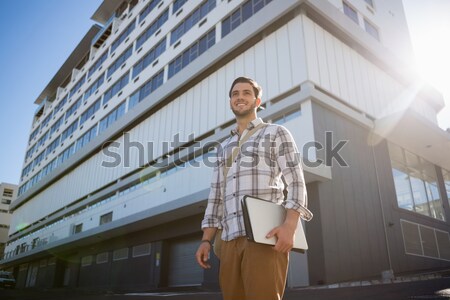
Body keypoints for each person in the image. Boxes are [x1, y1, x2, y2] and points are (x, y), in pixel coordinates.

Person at [195, 76, 312, 300]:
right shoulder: (223, 148)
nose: (240, 97)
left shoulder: (275, 133)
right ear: (230, 102)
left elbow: (296, 180)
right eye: (235, 94)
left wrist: (290, 226)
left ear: (258, 101)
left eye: (247, 93)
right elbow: (216, 198)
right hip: (228, 240)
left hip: (263, 237)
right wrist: (205, 240)